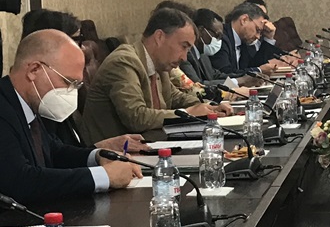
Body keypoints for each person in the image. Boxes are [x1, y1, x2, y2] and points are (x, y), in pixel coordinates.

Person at [0, 30, 141, 202]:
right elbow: (20, 180)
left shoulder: (27, 103)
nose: (71, 92)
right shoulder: (4, 107)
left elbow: (54, 152)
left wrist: (97, 156)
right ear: (34, 70)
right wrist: (104, 176)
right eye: (68, 82)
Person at [80, 8, 231, 144]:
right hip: (116, 154)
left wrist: (211, 106)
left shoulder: (159, 64)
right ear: (159, 37)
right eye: (183, 46)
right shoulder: (124, 62)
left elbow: (175, 97)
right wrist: (189, 113)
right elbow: (136, 117)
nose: (185, 57)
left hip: (150, 143)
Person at [20, 9, 151, 153]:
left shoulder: (53, 100)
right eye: (77, 40)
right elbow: (52, 162)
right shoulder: (40, 103)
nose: (82, 48)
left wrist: (102, 149)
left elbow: (65, 153)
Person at [208, 2, 284, 75]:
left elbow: (255, 66)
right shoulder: (221, 37)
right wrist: (259, 70)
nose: (258, 37)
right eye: (257, 30)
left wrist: (268, 38)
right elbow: (225, 73)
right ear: (244, 20)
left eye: (260, 33)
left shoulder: (244, 41)